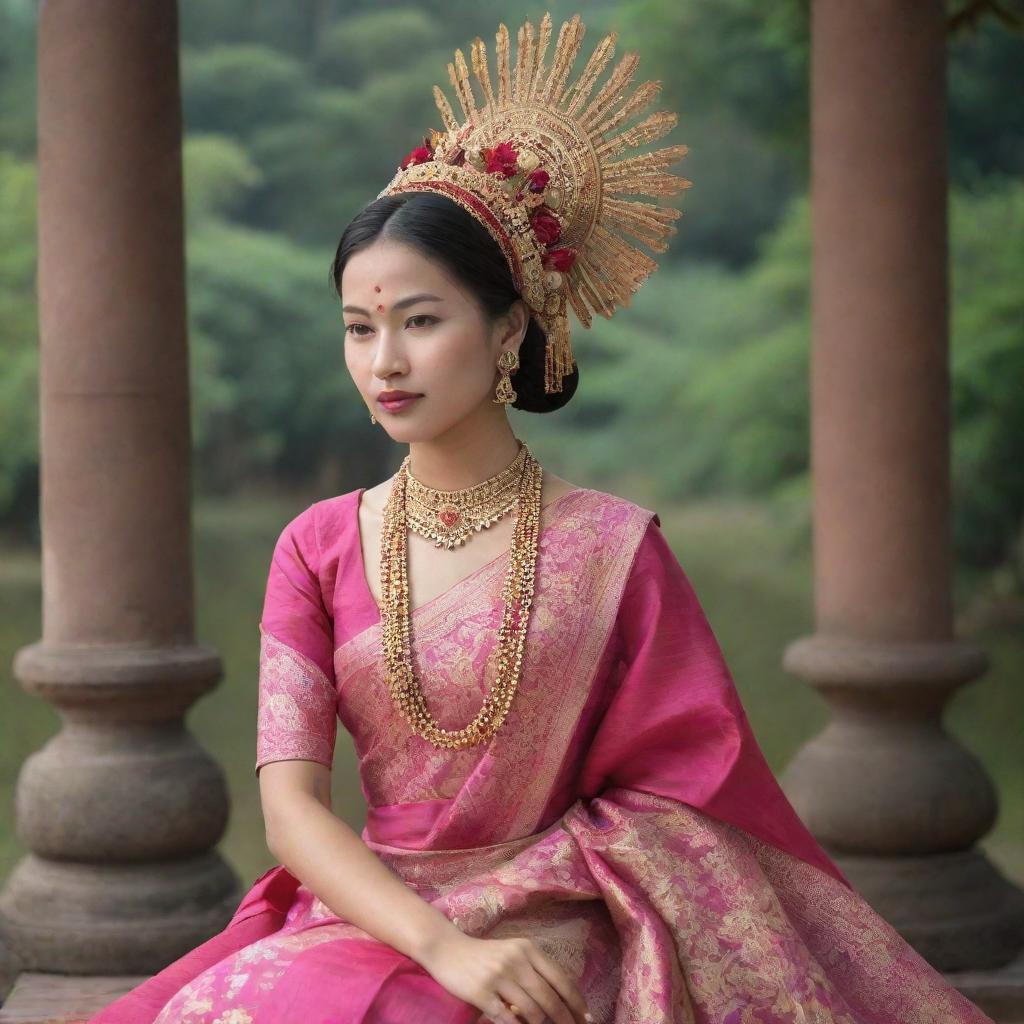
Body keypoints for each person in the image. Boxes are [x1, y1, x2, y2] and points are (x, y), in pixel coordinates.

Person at [88, 12, 995, 1024]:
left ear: (509, 325)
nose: (383, 363)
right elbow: (292, 811)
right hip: (378, 912)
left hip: (560, 912)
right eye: (358, 327)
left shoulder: (610, 549)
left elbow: (685, 797)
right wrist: (443, 941)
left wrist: (514, 909)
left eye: (420, 321)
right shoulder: (317, 544)